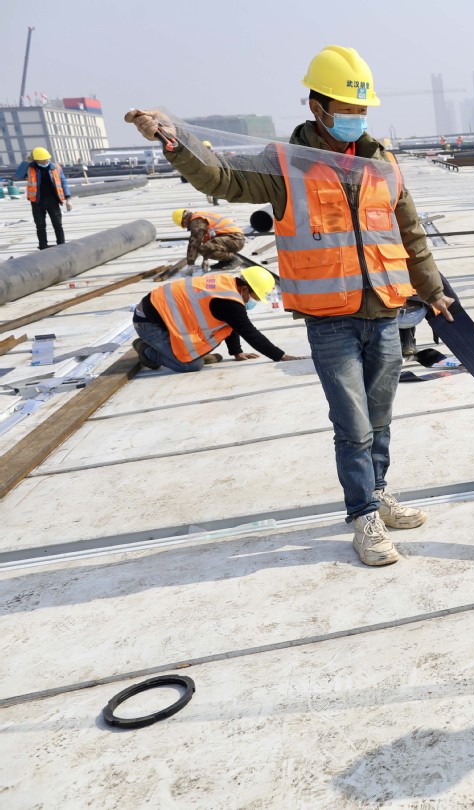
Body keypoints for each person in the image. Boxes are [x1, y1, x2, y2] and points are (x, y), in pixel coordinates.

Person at [128, 45, 455, 568]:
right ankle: (363, 514)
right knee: (352, 425)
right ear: (317, 106)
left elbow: (410, 231)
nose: (355, 118)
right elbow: (221, 177)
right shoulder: (284, 164)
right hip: (331, 321)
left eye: (361, 109)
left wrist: (434, 290)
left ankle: (380, 490)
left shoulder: (383, 163)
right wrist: (175, 138)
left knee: (381, 416)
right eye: (346, 108)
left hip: (386, 314)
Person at [132, 266, 300, 372]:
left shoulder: (228, 284)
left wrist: (236, 352)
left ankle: (189, 354)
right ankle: (146, 350)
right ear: (243, 289)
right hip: (148, 322)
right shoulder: (229, 302)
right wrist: (281, 356)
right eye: (253, 297)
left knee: (197, 350)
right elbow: (250, 333)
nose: (252, 303)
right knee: (189, 365)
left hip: (161, 315)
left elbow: (231, 323)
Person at [13, 147, 71, 250]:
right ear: (36, 160)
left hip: (53, 201)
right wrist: (26, 162)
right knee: (40, 226)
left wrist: (68, 199)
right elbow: (18, 175)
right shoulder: (30, 168)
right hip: (37, 202)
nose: (45, 162)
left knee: (58, 225)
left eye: (46, 160)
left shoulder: (56, 167)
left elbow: (63, 182)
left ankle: (61, 245)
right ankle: (43, 246)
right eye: (42, 161)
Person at [172, 208, 246, 272]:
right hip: (233, 239)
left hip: (234, 239)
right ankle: (224, 261)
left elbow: (195, 242)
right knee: (207, 246)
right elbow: (208, 240)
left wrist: (190, 264)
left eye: (184, 226)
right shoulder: (199, 217)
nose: (187, 227)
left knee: (203, 248)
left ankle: (233, 259)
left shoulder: (197, 221)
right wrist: (205, 259)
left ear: (184, 220)